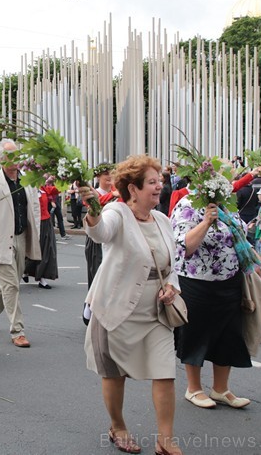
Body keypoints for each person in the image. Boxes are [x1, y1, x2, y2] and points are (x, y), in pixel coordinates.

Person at [80, 155, 182, 455]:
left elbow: (171, 264)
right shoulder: (116, 212)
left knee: (165, 372)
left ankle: (166, 440)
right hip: (117, 308)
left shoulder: (162, 220)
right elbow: (101, 233)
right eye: (152, 182)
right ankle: (118, 425)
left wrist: (172, 286)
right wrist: (94, 212)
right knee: (114, 374)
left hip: (156, 312)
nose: (159, 186)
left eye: (159, 181)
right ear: (133, 189)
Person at [171, 187, 254, 410]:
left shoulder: (228, 205)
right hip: (197, 280)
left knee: (228, 334)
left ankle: (221, 389)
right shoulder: (188, 205)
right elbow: (182, 246)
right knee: (195, 333)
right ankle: (194, 388)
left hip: (229, 279)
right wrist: (206, 221)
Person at [0, 139, 41, 348]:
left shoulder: (27, 181)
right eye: (12, 156)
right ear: (2, 160)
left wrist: (36, 235)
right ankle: (17, 331)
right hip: (1, 241)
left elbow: (35, 209)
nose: (17, 160)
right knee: (12, 285)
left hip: (22, 237)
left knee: (9, 283)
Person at [85, 164, 118, 289]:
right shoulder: (93, 193)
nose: (109, 176)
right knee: (97, 276)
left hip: (113, 237)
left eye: (111, 173)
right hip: (96, 238)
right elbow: (96, 203)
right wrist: (114, 195)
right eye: (105, 174)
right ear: (98, 177)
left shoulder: (117, 192)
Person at [23, 184, 58, 289]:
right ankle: (25, 270)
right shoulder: (27, 189)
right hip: (34, 223)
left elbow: (55, 190)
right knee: (34, 249)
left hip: (46, 222)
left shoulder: (43, 189)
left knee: (47, 249)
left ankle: (42, 277)